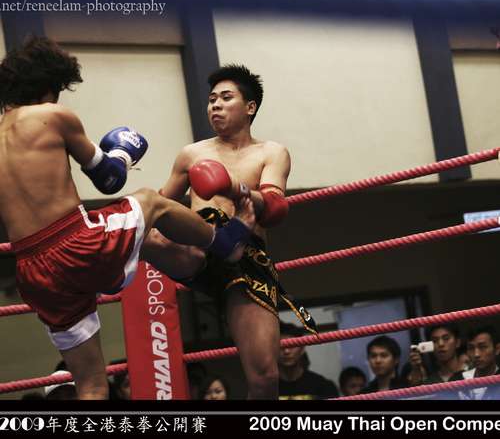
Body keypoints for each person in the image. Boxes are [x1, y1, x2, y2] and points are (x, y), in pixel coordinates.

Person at [0, 36, 255, 400]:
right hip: (76, 244)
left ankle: (198, 269)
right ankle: (227, 242)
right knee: (152, 202)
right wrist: (121, 153)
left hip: (32, 271)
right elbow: (109, 180)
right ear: (48, 87)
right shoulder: (52, 116)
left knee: (91, 385)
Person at [152, 64, 316, 399]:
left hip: (246, 258)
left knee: (265, 378)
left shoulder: (271, 152)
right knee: (145, 218)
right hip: (199, 249)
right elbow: (163, 204)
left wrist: (234, 188)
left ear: (250, 106)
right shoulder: (192, 154)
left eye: (226, 98)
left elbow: (274, 209)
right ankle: (96, 256)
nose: (215, 105)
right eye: (212, 99)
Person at [278, 322, 338, 400]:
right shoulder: (266, 387)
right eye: (281, 346)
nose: (286, 351)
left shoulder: (322, 386)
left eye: (292, 345)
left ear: (302, 349)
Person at [450, 325, 500, 400]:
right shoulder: (458, 379)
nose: (476, 354)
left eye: (483, 347)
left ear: (497, 349)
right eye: (471, 348)